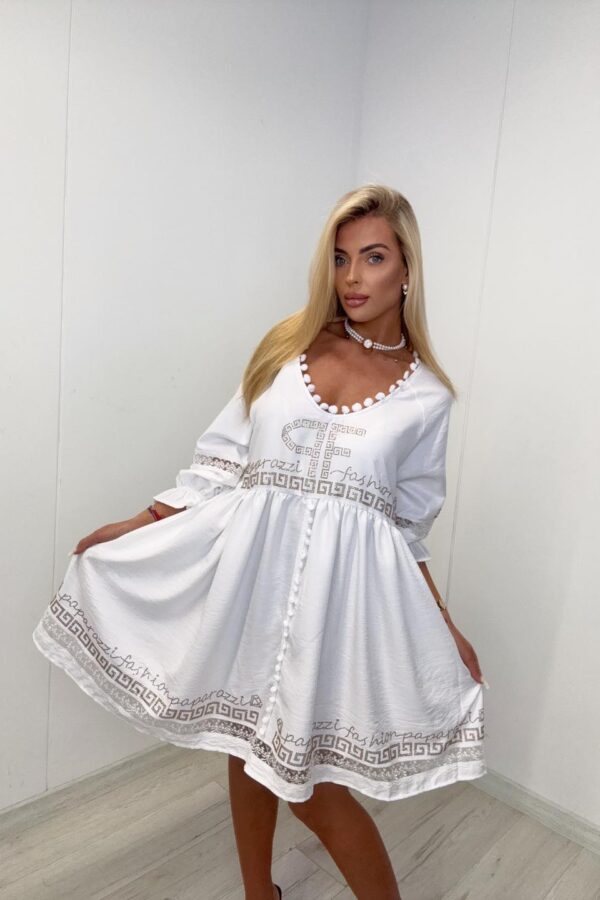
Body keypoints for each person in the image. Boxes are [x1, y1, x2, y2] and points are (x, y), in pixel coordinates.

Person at [33, 184, 487, 900]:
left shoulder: (428, 397)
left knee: (311, 787)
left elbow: (407, 528)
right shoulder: (289, 344)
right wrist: (140, 522)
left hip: (335, 610)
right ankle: (259, 894)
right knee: (243, 744)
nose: (353, 277)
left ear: (408, 269)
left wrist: (444, 624)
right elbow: (220, 464)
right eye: (340, 258)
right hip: (255, 584)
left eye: (374, 258)